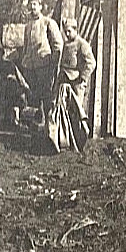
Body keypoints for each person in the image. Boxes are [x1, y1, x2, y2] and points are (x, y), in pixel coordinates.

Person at [46, 18, 96, 153]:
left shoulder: (82, 44)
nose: (67, 34)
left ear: (75, 30)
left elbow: (91, 63)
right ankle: (64, 142)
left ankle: (80, 142)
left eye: (69, 31)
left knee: (76, 112)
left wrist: (82, 77)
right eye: (65, 32)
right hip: (64, 80)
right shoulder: (66, 45)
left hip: (76, 83)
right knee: (62, 111)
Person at [16, 0, 62, 124]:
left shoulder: (48, 23)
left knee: (46, 95)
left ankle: (49, 124)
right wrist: (24, 62)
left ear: (41, 6)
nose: (32, 7)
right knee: (33, 95)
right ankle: (36, 123)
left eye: (35, 4)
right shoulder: (28, 26)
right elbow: (26, 46)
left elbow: (58, 44)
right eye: (30, 5)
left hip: (44, 65)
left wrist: (53, 63)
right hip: (30, 66)